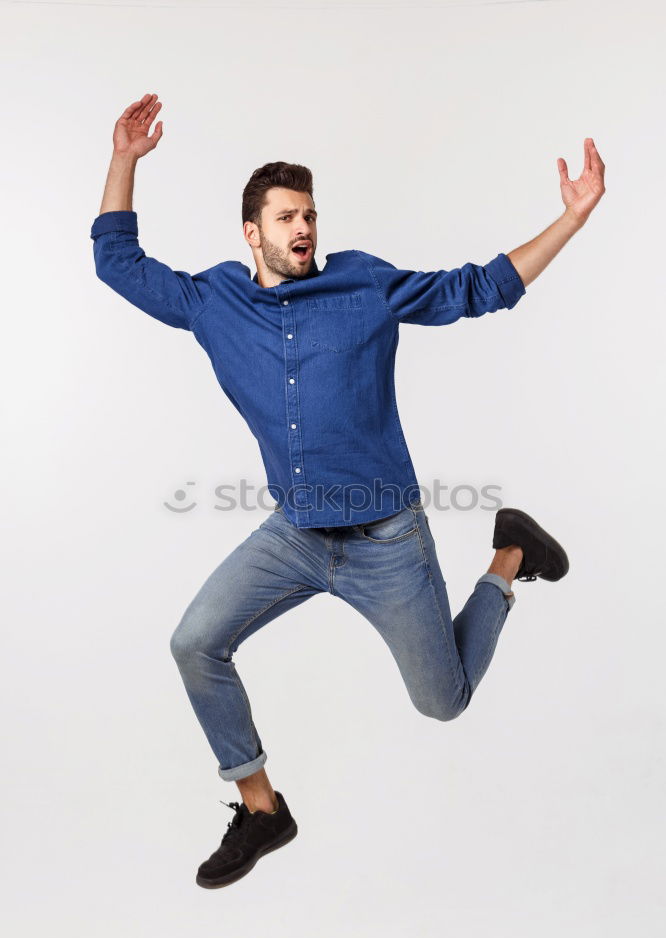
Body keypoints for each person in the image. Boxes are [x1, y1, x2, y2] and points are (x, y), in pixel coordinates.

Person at [90, 93, 605, 889]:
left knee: (444, 703)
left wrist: (570, 219)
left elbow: (480, 288)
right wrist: (124, 159)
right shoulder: (212, 301)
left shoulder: (364, 286)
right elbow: (117, 264)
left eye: (311, 215)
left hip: (386, 541)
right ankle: (262, 810)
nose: (303, 229)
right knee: (194, 643)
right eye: (287, 216)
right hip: (294, 535)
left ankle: (510, 555)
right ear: (250, 232)